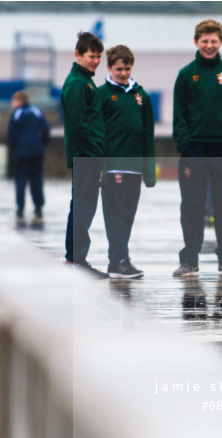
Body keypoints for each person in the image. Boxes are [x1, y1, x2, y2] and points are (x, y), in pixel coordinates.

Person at [172, 19, 222, 278]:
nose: (209, 45)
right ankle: (189, 259)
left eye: (213, 41)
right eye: (204, 41)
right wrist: (184, 142)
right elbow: (179, 113)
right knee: (191, 206)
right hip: (194, 151)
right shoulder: (185, 75)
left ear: (220, 42)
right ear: (196, 42)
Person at [98, 44, 156, 279]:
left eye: (127, 68)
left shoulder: (141, 96)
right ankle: (119, 260)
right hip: (113, 167)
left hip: (134, 168)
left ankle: (120, 259)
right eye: (119, 68)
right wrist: (100, 168)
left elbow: (147, 135)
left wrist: (149, 171)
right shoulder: (101, 95)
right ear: (110, 67)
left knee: (128, 216)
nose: (123, 73)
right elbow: (97, 135)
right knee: (115, 216)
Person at [62, 31, 107, 278]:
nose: (96, 61)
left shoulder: (85, 80)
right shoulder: (77, 84)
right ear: (78, 55)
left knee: (81, 207)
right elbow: (80, 127)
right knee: (83, 208)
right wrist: (95, 157)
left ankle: (75, 258)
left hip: (87, 156)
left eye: (99, 56)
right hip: (86, 157)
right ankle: (77, 259)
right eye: (92, 56)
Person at [8, 90, 51, 228]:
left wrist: (15, 149)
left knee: (21, 180)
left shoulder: (17, 114)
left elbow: (12, 135)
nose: (12, 104)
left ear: (20, 101)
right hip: (37, 151)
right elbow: (46, 130)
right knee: (36, 179)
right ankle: (38, 208)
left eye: (14, 101)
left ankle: (20, 209)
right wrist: (41, 144)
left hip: (22, 152)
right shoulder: (36, 111)